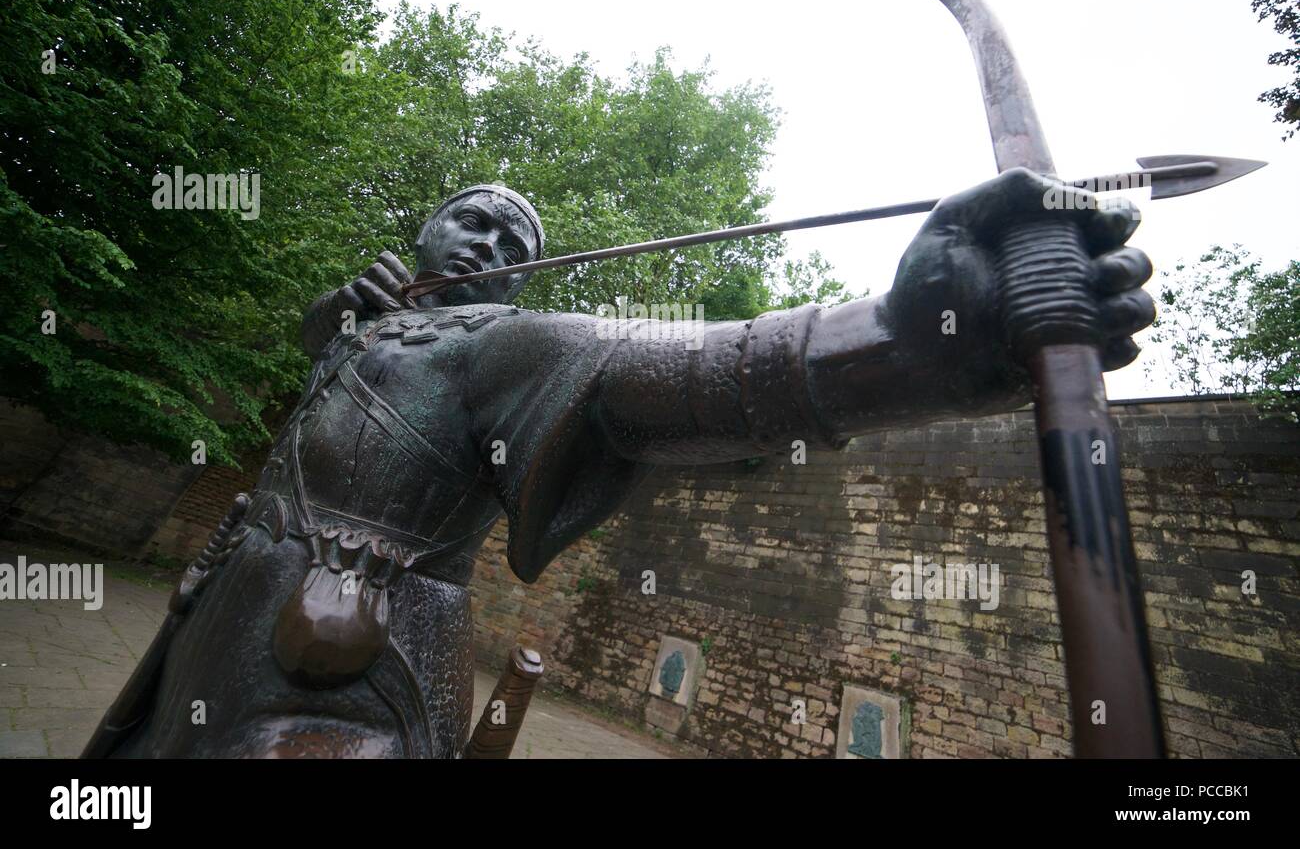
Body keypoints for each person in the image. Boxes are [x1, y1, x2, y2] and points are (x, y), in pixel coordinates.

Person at [85, 171, 1153, 758]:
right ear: (425, 227)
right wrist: (339, 309)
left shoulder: (507, 345)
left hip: (353, 660)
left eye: (515, 243)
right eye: (475, 220)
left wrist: (921, 337)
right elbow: (329, 363)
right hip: (225, 612)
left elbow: (688, 374)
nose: (492, 247)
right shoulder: (374, 325)